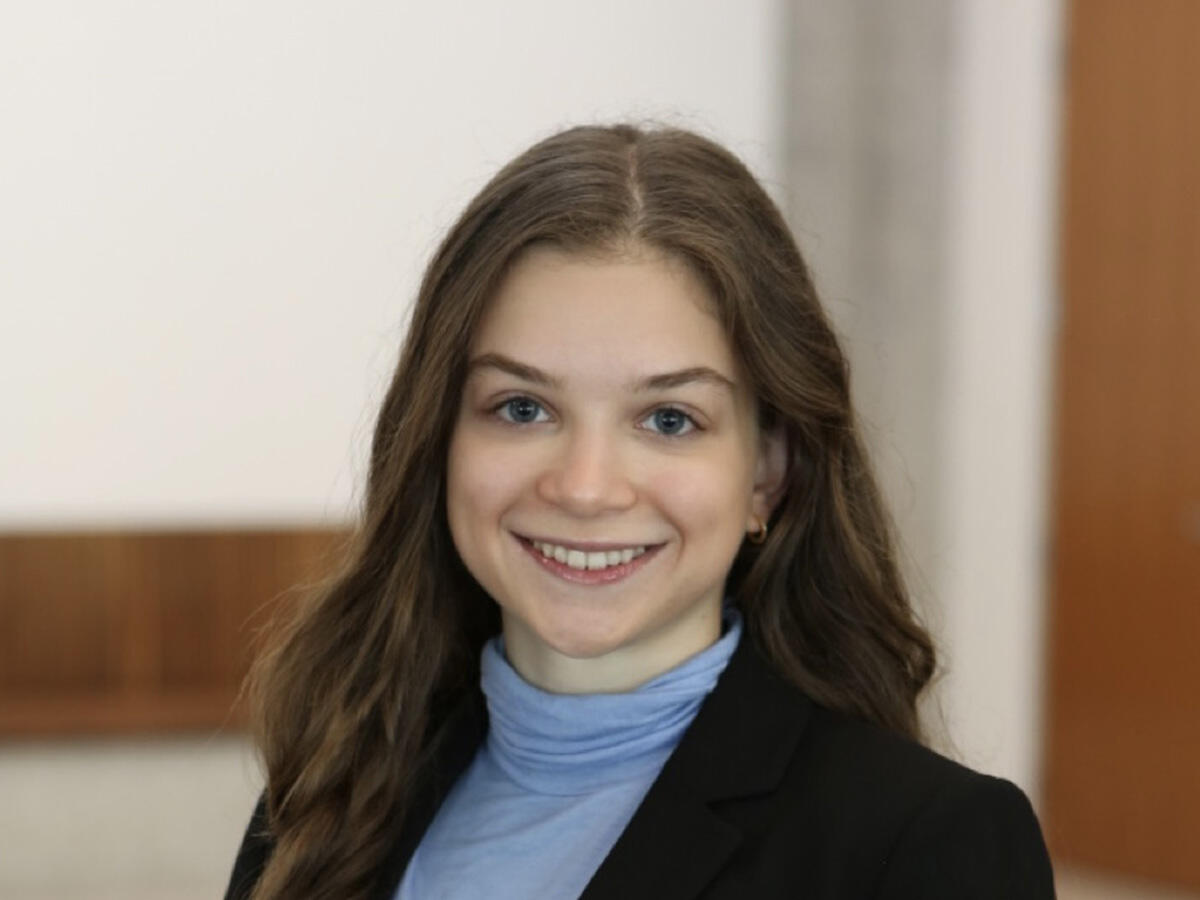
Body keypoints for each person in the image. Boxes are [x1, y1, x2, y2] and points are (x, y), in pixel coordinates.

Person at [225, 123, 1055, 900]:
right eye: (521, 408)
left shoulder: (919, 845)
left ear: (768, 473)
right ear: (439, 439)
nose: (586, 488)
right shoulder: (329, 797)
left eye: (668, 420)